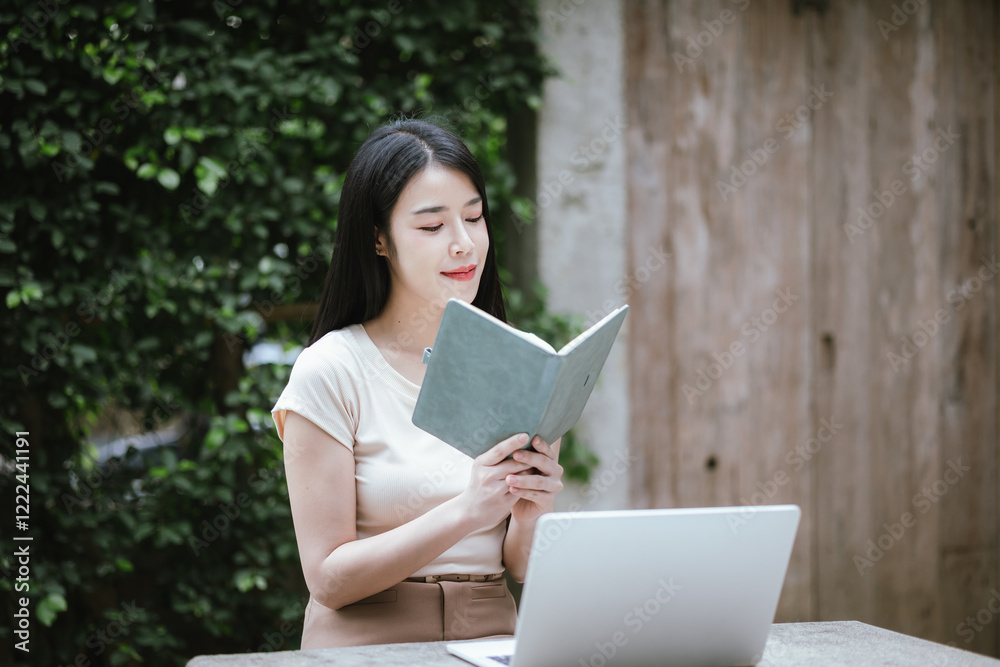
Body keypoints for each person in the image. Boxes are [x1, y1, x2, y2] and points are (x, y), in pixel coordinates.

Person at [270, 117, 565, 649]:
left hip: (492, 637)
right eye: (432, 227)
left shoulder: (527, 362)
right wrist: (467, 510)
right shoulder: (332, 370)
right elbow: (328, 579)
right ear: (379, 239)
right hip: (367, 643)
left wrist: (530, 512)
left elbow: (520, 564)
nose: (464, 244)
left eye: (474, 218)